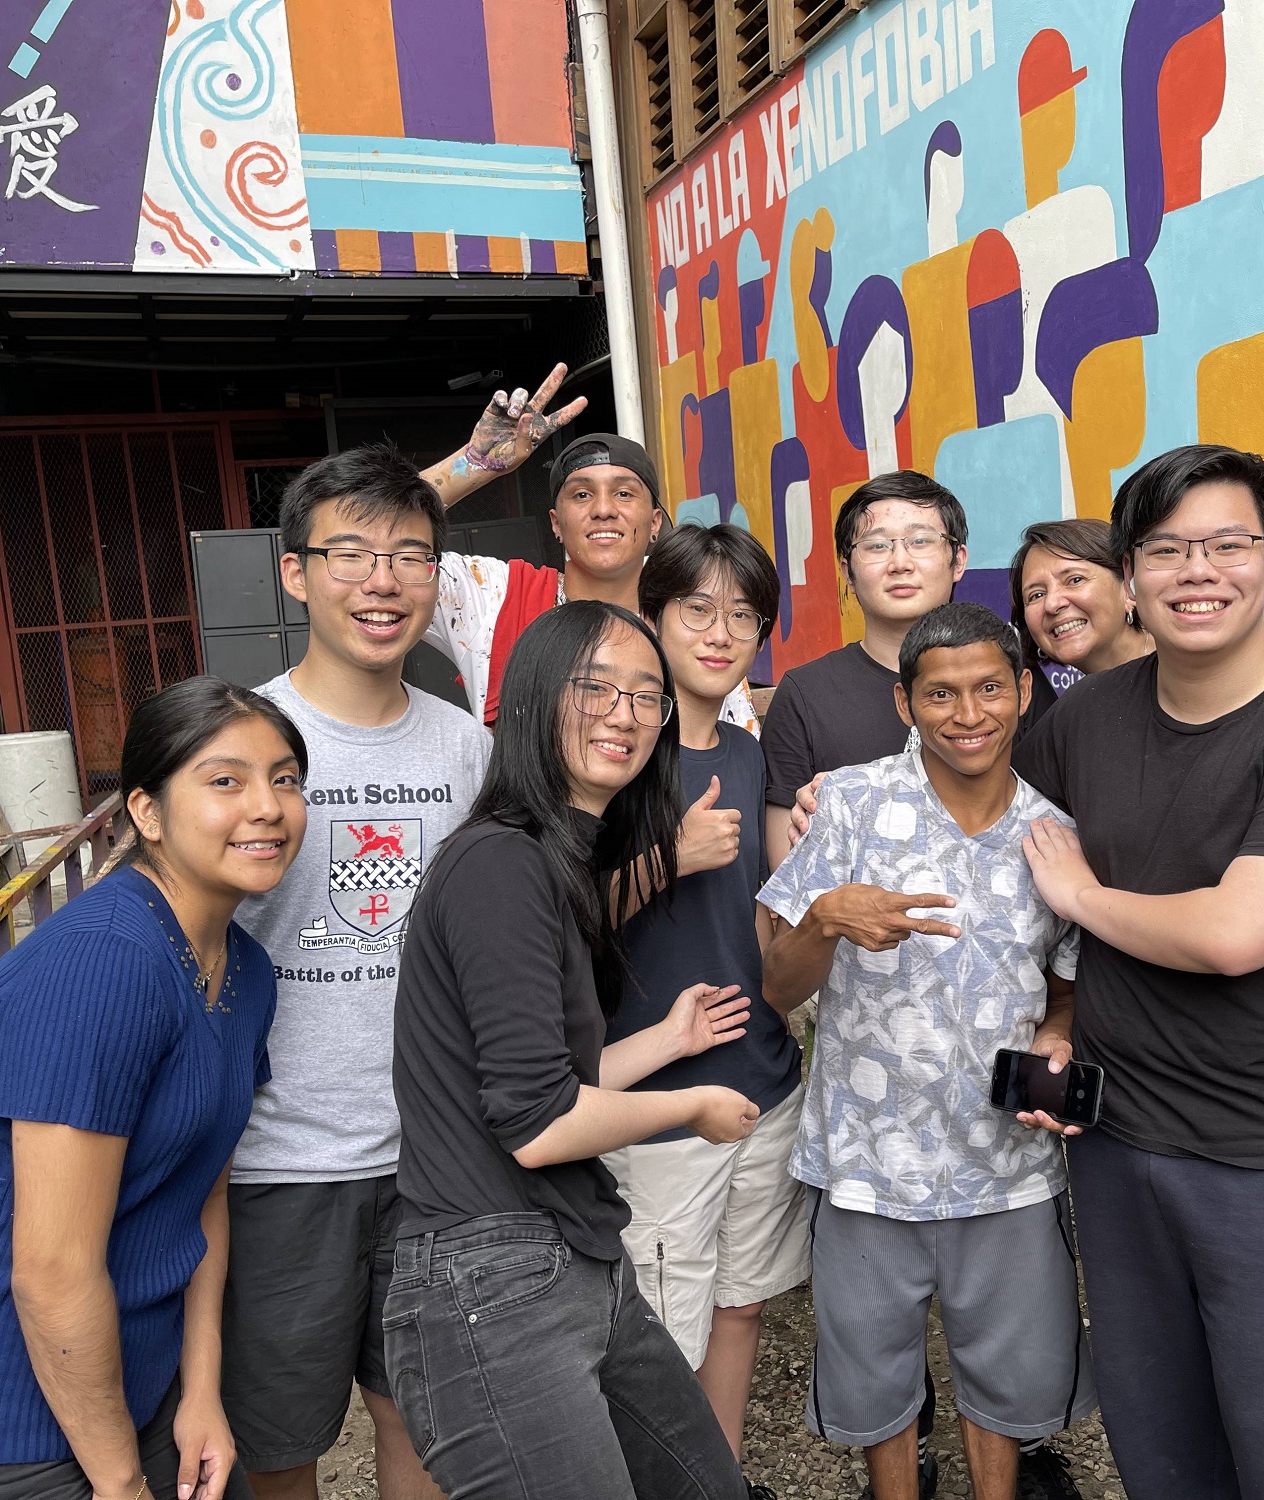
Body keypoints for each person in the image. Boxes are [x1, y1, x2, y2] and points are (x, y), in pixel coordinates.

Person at [1015, 444, 1264, 1500]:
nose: (1197, 572)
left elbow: (1236, 934)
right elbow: (996, 840)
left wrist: (1081, 897)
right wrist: (1058, 1016)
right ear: (1130, 575)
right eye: (1166, 549)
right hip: (1117, 1145)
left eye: (1228, 545)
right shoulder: (1086, 718)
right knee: (1162, 1455)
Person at [0, 677, 308, 1500]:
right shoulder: (99, 964)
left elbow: (201, 1192)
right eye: (225, 780)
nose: (268, 807)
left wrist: (201, 1391)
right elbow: (53, 1270)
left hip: (135, 1395)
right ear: (146, 812)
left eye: (285, 779)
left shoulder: (244, 969)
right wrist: (121, 1483)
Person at [385, 600, 761, 1499]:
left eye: (646, 695)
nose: (624, 714)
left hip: (575, 1253)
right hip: (488, 1276)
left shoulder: (557, 861)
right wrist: (693, 1105)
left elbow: (550, 1081)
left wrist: (667, 1041)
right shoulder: (501, 863)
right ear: (533, 696)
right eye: (596, 688)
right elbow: (538, 1124)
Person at [760, 602, 1097, 1500]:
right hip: (868, 1160)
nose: (969, 713)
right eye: (940, 693)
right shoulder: (849, 803)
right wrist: (826, 919)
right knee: (876, 1379)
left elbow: (1066, 985)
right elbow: (778, 987)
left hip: (1005, 1162)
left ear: (1023, 691)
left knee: (1008, 1377)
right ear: (904, 703)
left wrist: (1057, 1032)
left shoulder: (1053, 833)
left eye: (990, 688)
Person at [219, 447, 492, 1499]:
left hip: (434, 1159)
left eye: (410, 557)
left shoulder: (465, 749)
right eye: (351, 555)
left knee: (420, 1417)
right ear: (296, 573)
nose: (383, 582)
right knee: (277, 1436)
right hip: (278, 1160)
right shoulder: (237, 740)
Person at [601, 524, 804, 1499]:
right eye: (697, 609)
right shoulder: (609, 758)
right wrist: (665, 860)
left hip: (762, 1079)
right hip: (658, 1100)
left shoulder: (750, 754)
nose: (721, 633)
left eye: (744, 616)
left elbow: (763, 914)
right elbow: (551, 917)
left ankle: (718, 1481)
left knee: (740, 1306)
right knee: (659, 1337)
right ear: (652, 616)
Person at [420, 392, 756, 731]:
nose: (603, 509)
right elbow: (386, 541)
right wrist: (471, 466)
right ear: (556, 523)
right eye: (582, 494)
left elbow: (734, 741)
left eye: (624, 493)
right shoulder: (496, 598)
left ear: (655, 522)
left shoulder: (692, 625)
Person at [761, 469, 969, 870]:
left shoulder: (1002, 684)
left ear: (957, 559)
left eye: (920, 541)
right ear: (847, 571)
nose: (900, 563)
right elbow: (788, 878)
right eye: (877, 545)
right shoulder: (806, 695)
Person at [1006, 517, 1152, 727]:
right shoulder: (1068, 721)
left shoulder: (1185, 672)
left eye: (1075, 580)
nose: (1052, 604)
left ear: (1128, 587)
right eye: (1036, 595)